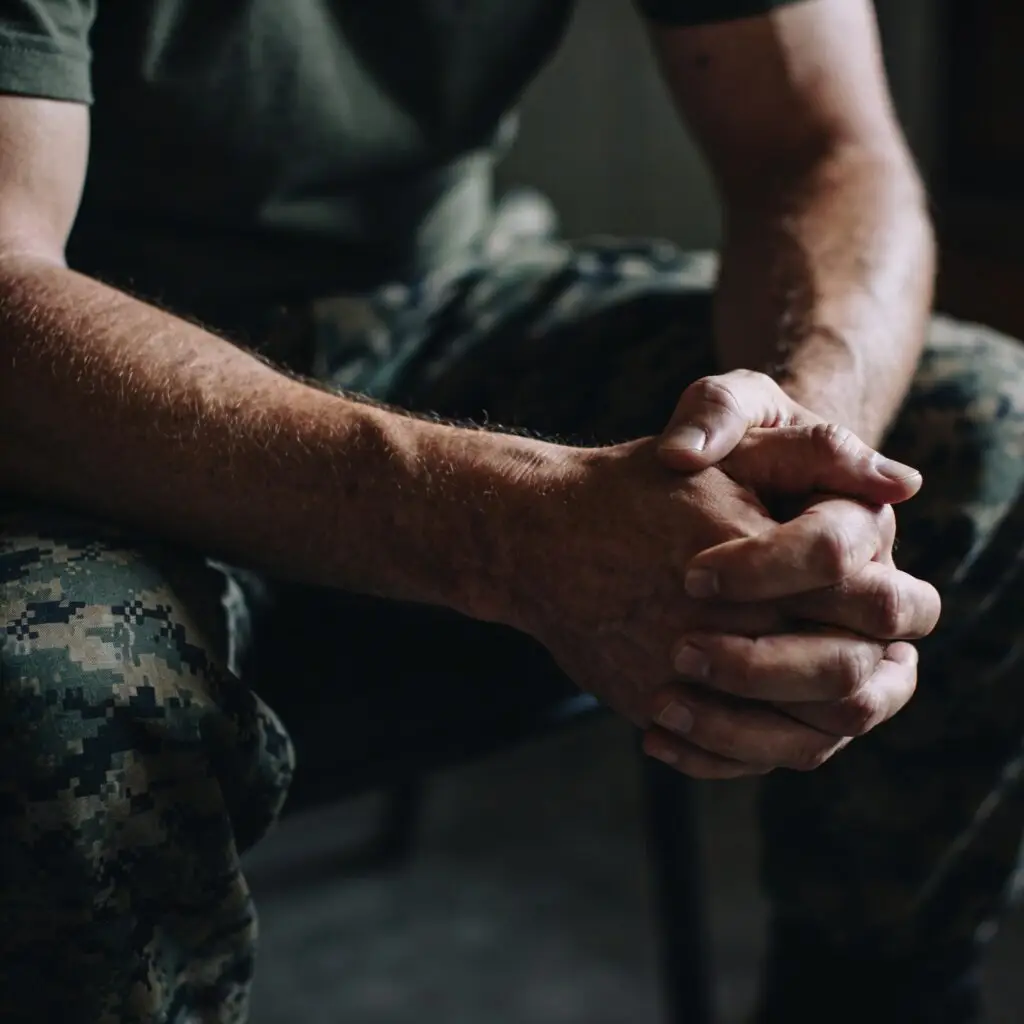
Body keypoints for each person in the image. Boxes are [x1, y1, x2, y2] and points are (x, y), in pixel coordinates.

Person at [0, 0, 1020, 1020]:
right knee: (52, 689)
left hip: (430, 298)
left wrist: (808, 449)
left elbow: (822, 147)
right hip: (89, 379)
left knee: (988, 432)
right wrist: (506, 530)